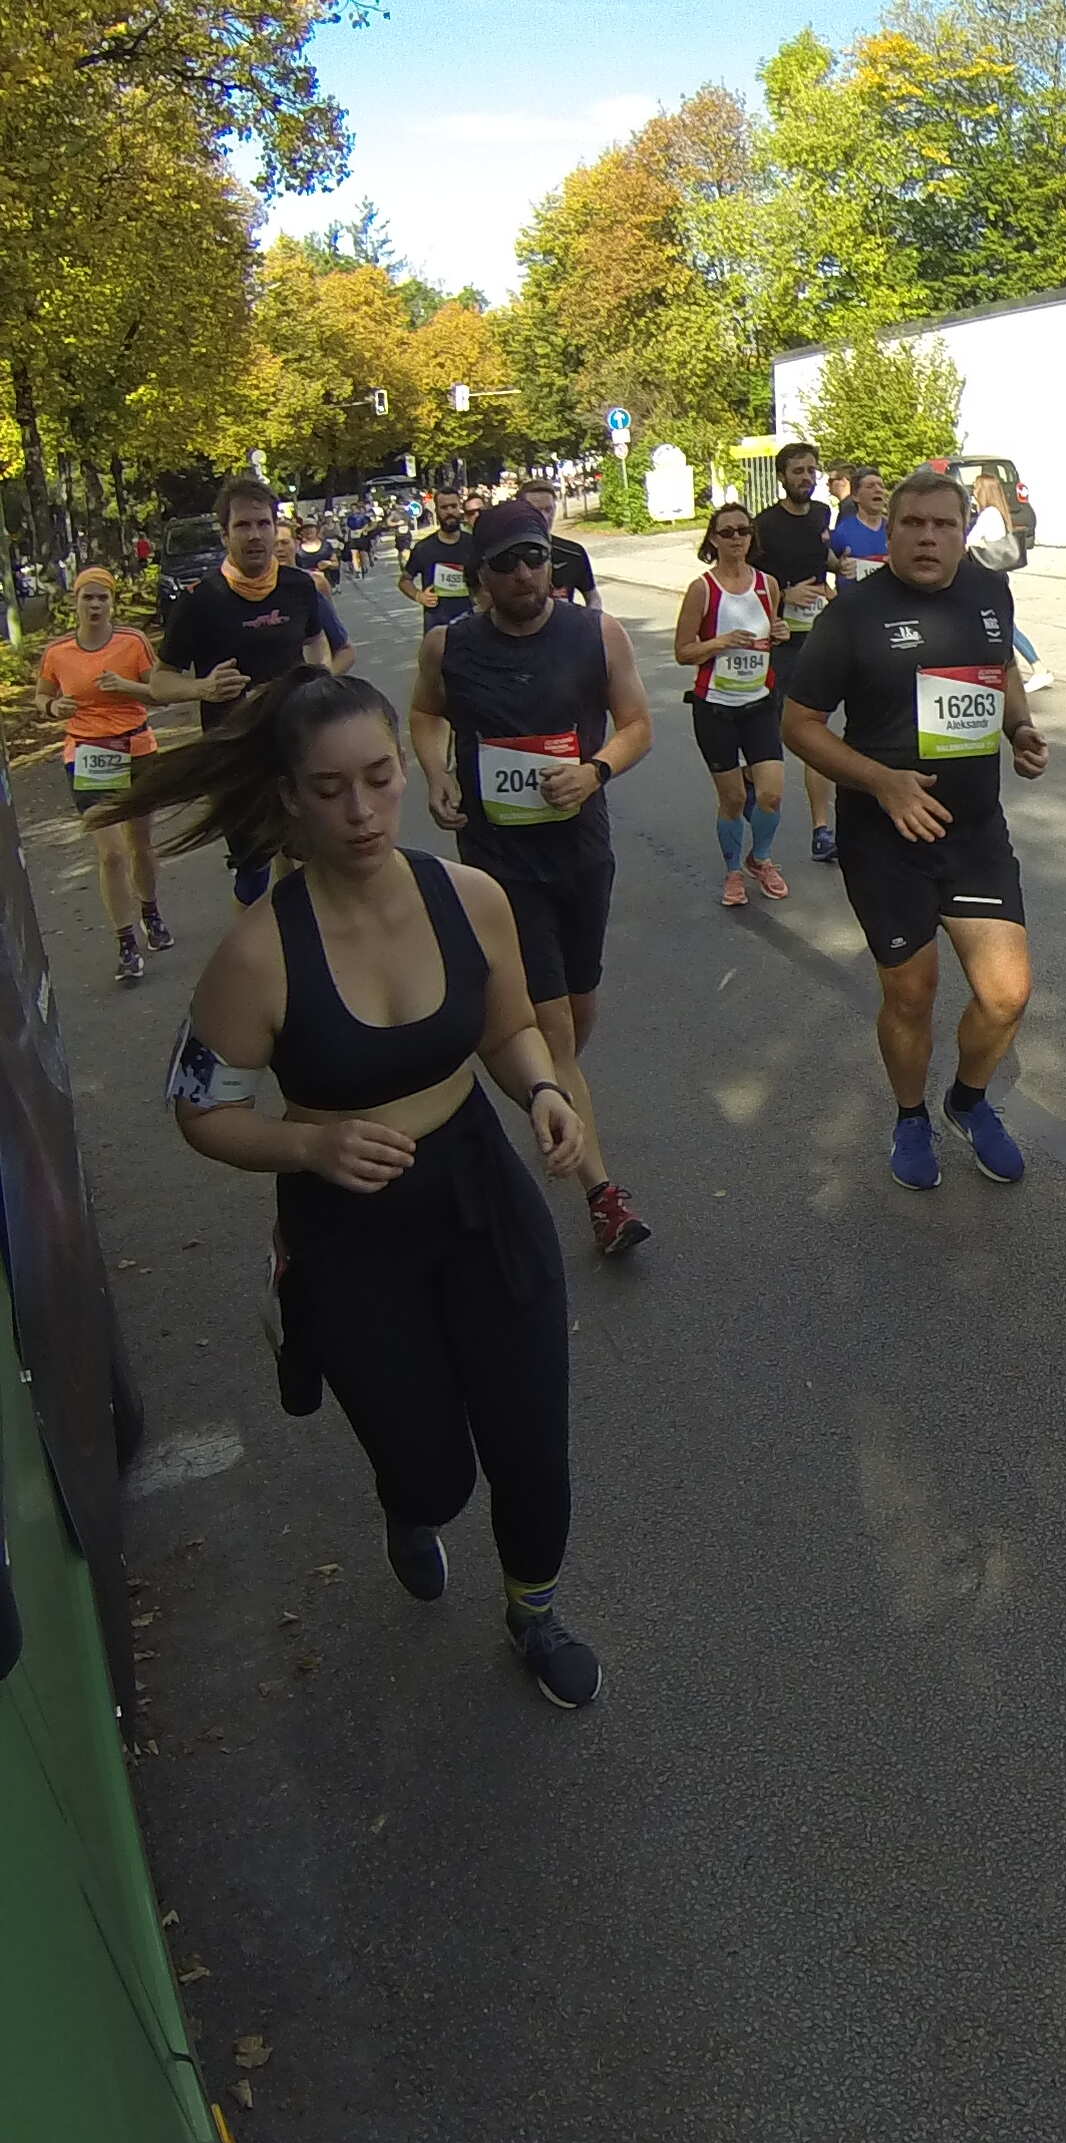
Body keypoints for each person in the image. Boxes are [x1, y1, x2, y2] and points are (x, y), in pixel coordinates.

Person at [118, 667, 605, 1708]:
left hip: (478, 1189)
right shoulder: (257, 955)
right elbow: (200, 1110)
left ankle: (534, 1610)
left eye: (380, 778)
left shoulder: (469, 898)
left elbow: (509, 1028)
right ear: (289, 797)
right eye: (330, 789)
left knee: (530, 1436)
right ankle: (405, 1500)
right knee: (432, 1474)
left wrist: (542, 1091)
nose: (363, 812)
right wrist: (310, 1149)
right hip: (349, 1227)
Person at [783, 469, 1048, 1193]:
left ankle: (968, 1101)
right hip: (884, 839)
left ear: (964, 532)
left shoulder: (990, 592)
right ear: (890, 531)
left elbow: (1001, 670)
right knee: (911, 993)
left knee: (1006, 994)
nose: (928, 538)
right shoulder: (853, 615)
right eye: (913, 524)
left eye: (943, 524)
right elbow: (799, 726)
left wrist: (1021, 728)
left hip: (975, 832)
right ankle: (909, 1116)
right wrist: (881, 781)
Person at [408, 498, 656, 1258]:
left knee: (577, 1011)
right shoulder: (448, 646)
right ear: (481, 576)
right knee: (553, 1032)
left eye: (535, 556)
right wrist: (435, 774)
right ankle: (603, 1196)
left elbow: (637, 726)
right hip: (500, 867)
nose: (524, 573)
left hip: (581, 853)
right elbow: (426, 715)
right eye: (506, 562)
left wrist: (595, 771)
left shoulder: (597, 634)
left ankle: (550, 1087)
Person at [149, 474, 334, 907]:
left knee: (308, 858)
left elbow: (316, 642)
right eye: (242, 526)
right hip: (237, 755)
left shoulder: (298, 587)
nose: (254, 535)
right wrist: (203, 687)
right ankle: (256, 943)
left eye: (263, 524)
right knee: (253, 878)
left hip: (295, 743)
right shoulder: (200, 601)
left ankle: (304, 942)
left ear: (275, 527)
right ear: (225, 534)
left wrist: (321, 680)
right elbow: (159, 681)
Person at [39, 567, 171, 983]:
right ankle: (125, 943)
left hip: (136, 748)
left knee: (140, 844)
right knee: (111, 853)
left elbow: (161, 694)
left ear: (112, 602)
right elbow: (42, 695)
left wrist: (126, 687)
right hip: (89, 752)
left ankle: (150, 911)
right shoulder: (58, 652)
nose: (95, 605)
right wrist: (52, 708)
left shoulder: (133, 642)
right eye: (88, 597)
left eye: (102, 598)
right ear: (75, 602)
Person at [673, 502, 792, 907]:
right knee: (734, 799)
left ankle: (761, 859)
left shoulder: (767, 584)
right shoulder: (703, 589)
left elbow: (770, 634)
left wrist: (779, 632)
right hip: (715, 707)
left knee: (771, 793)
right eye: (727, 532)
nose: (737, 538)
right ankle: (733, 872)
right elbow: (683, 652)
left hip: (759, 702)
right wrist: (720, 642)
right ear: (714, 539)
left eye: (743, 530)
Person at [750, 442, 843, 865]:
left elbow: (821, 558)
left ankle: (821, 830)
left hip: (818, 639)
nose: (806, 478)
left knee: (814, 733)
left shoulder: (822, 514)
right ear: (781, 476)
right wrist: (785, 595)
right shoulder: (764, 525)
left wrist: (839, 569)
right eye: (798, 471)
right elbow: (748, 583)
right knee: (770, 737)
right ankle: (752, 800)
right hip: (779, 642)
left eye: (811, 470)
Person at [967, 470, 1054, 690]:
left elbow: (970, 542)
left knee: (1004, 626)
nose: (973, 494)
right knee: (999, 625)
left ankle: (1039, 668)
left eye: (976, 490)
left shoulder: (988, 515)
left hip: (988, 579)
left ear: (984, 492)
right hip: (996, 577)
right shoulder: (998, 512)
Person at [515, 478, 600, 608]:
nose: (544, 517)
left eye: (548, 510)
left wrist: (590, 618)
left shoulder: (573, 553)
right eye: (536, 511)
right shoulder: (505, 554)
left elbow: (593, 597)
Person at [401, 480, 474, 623]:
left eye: (453, 506)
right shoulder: (423, 548)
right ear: (436, 511)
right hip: (437, 624)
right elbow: (405, 580)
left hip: (472, 622)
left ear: (460, 507)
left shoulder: (474, 544)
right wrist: (419, 596)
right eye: (444, 508)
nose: (449, 512)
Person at [827, 466, 889, 583]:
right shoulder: (842, 532)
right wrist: (838, 566)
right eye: (870, 486)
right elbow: (825, 561)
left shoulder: (896, 530)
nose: (878, 490)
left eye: (881, 486)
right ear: (855, 496)